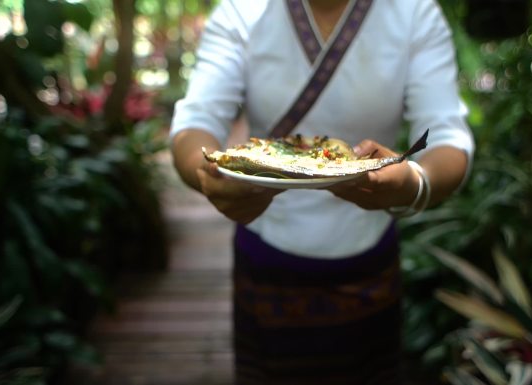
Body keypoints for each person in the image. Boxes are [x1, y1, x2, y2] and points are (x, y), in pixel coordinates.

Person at [170, 0, 474, 383]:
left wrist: (414, 183)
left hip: (368, 259)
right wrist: (207, 174)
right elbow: (196, 123)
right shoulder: (240, 10)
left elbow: (447, 137)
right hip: (267, 254)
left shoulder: (413, 12)